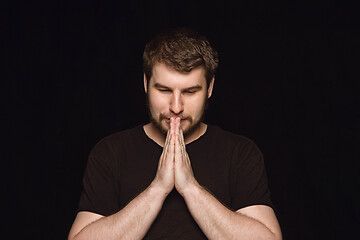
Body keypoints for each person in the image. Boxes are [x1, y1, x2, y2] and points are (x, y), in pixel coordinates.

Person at [68, 27, 282, 240]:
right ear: (145, 83)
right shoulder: (110, 153)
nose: (176, 106)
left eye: (190, 92)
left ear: (210, 87)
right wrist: (157, 189)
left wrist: (190, 188)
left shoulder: (240, 154)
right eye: (164, 90)